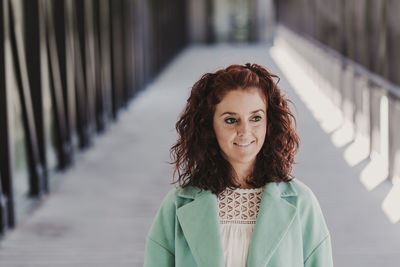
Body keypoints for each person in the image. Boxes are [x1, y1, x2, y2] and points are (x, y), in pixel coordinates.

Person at [143, 63, 333, 267]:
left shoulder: (302, 203)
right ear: (209, 125)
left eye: (256, 118)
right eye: (231, 120)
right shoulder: (176, 205)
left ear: (269, 123)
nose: (245, 131)